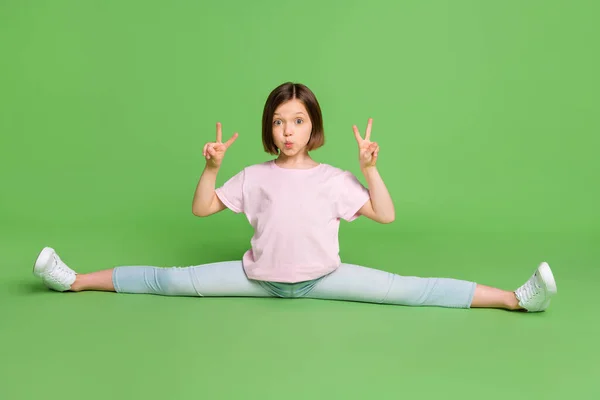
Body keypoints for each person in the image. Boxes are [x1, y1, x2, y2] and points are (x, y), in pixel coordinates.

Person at [31, 82, 558, 312]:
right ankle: (73, 281)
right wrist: (211, 168)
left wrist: (370, 169)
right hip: (254, 280)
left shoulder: (331, 178)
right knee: (165, 281)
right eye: (280, 122)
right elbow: (202, 208)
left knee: (411, 290)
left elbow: (386, 214)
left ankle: (516, 298)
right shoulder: (256, 176)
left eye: (298, 121)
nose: (288, 130)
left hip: (324, 279)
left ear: (313, 128)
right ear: (270, 129)